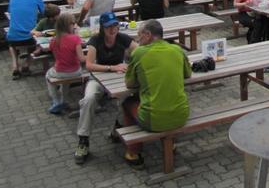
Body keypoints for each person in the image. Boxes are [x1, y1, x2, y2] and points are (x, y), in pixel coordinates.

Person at [121, 19, 191, 168]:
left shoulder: (139, 53)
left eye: (139, 35)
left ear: (147, 35)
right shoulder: (176, 49)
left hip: (153, 119)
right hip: (181, 115)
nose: (137, 39)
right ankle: (170, 144)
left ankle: (134, 152)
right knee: (163, 98)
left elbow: (130, 84)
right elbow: (187, 74)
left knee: (128, 102)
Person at [74, 12, 138, 165]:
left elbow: (140, 51)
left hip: (118, 77)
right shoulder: (96, 40)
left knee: (125, 98)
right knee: (88, 99)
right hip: (98, 77)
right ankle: (83, 140)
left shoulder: (122, 37)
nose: (113, 29)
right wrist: (112, 67)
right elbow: (89, 65)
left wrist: (133, 63)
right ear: (102, 27)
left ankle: (117, 127)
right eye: (109, 26)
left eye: (115, 25)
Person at [45, 13, 84, 114]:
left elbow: (54, 54)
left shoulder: (54, 40)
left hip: (60, 70)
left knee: (48, 76)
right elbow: (82, 58)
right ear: (68, 25)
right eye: (73, 23)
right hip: (76, 71)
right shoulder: (75, 39)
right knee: (65, 81)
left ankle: (56, 101)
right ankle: (64, 100)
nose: (74, 25)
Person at [7, 0, 45, 79]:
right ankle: (26, 65)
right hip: (29, 36)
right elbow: (44, 13)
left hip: (12, 35)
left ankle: (15, 66)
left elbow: (10, 11)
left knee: (12, 46)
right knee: (39, 46)